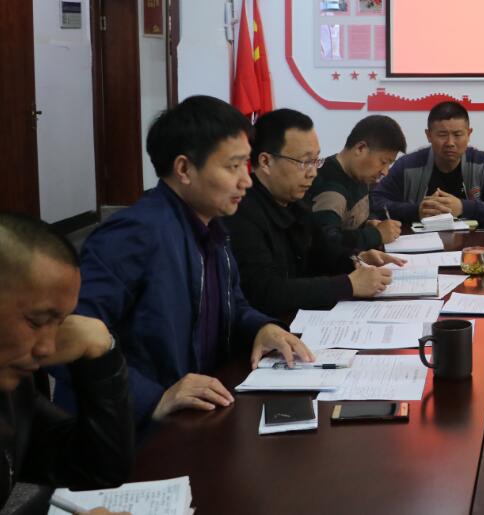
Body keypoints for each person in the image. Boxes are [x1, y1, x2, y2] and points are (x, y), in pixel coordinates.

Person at [56, 96, 312, 430]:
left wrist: (262, 327)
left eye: (246, 166)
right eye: (233, 167)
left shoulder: (212, 227)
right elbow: (63, 336)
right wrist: (154, 398)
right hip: (133, 430)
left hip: (199, 412)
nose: (246, 181)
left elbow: (232, 305)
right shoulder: (136, 234)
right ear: (184, 169)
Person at [0, 214, 133, 513]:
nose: (48, 348)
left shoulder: (12, 389)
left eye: (60, 323)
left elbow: (97, 469)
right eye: (36, 322)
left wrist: (102, 354)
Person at [224, 109, 406, 317]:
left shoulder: (294, 202)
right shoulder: (242, 212)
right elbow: (265, 291)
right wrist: (347, 285)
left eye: (315, 160)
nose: (312, 172)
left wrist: (356, 259)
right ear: (266, 162)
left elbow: (322, 250)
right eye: (304, 162)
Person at [371, 101, 484, 225]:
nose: (450, 143)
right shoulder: (407, 165)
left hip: (474, 243)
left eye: (457, 134)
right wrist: (416, 211)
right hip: (421, 243)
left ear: (469, 134)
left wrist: (463, 207)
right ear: (428, 135)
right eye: (442, 135)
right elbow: (374, 202)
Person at [307, 114, 405, 256]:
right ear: (360, 148)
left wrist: (369, 223)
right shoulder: (331, 189)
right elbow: (326, 244)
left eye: (389, 164)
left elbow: (361, 216)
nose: (385, 172)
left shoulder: (360, 175)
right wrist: (376, 235)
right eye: (383, 162)